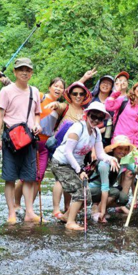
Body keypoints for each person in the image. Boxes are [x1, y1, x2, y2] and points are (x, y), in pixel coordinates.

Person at [50, 102, 119, 230]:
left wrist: (111, 159)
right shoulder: (77, 128)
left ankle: (66, 216)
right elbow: (67, 152)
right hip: (61, 163)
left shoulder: (96, 132)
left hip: (74, 165)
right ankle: (70, 222)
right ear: (87, 115)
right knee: (81, 191)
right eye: (93, 116)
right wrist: (80, 170)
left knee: (86, 193)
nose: (96, 120)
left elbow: (100, 154)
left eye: (100, 118)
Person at [0, 58, 42, 224]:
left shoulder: (34, 91)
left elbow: (37, 113)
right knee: (10, 177)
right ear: (14, 72)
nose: (24, 72)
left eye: (27, 70)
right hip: (11, 139)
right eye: (21, 69)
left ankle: (29, 212)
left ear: (31, 73)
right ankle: (11, 213)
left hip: (28, 138)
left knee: (29, 177)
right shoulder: (6, 91)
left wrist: (37, 124)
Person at [14, 76, 65, 213]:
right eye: (56, 85)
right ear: (50, 87)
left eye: (61, 87)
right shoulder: (41, 96)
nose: (58, 89)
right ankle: (16, 204)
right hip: (32, 142)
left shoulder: (60, 107)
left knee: (39, 177)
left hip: (45, 146)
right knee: (26, 176)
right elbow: (23, 94)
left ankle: (29, 209)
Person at [43, 81, 92, 219]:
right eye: (75, 93)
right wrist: (55, 104)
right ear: (70, 95)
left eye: (81, 94)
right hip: (61, 148)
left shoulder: (86, 112)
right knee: (60, 179)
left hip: (78, 152)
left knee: (70, 179)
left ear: (85, 96)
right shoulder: (65, 107)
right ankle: (56, 209)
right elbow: (58, 106)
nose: (78, 96)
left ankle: (67, 207)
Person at [89, 135, 136, 222]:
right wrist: (102, 211)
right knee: (115, 192)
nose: (123, 152)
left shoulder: (123, 161)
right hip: (90, 191)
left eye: (126, 149)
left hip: (103, 190)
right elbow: (105, 187)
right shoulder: (104, 163)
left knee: (124, 198)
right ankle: (97, 212)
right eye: (120, 148)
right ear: (114, 149)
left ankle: (99, 206)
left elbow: (136, 169)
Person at [105, 79, 138, 148]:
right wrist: (115, 93)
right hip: (121, 141)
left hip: (136, 142)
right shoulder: (124, 100)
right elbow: (108, 106)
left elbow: (135, 125)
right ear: (135, 88)